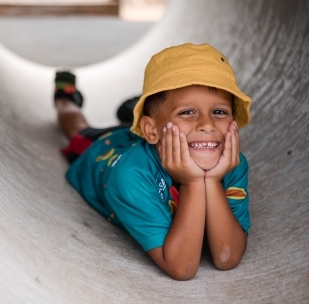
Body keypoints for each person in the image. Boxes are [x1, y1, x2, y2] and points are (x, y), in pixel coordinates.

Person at [53, 43, 252, 280]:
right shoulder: (129, 177)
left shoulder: (232, 162)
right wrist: (194, 183)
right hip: (107, 151)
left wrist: (212, 180)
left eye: (219, 112)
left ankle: (138, 112)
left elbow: (227, 257)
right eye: (187, 112)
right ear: (150, 129)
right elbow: (182, 267)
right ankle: (65, 98)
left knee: (159, 126)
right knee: (78, 129)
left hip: (157, 136)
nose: (208, 125)